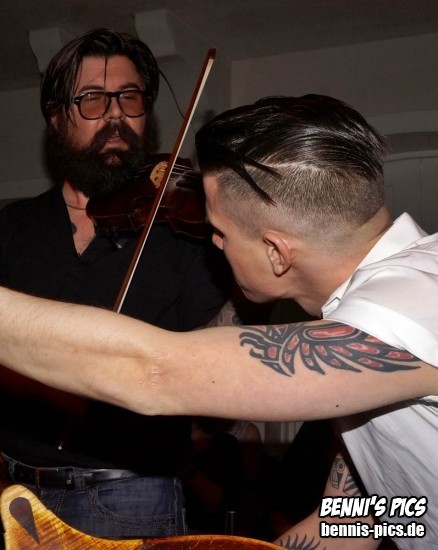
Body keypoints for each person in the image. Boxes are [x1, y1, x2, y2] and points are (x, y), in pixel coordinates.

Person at [0, 94, 437, 549]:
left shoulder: (401, 314)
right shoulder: (391, 307)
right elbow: (358, 524)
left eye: (221, 231)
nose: (214, 242)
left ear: (276, 252)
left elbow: (151, 371)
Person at [0, 28, 230, 539]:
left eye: (130, 98)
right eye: (92, 99)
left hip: (131, 495)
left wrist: (243, 245)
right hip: (13, 489)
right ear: (56, 118)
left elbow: (217, 355)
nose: (115, 115)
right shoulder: (14, 227)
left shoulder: (184, 229)